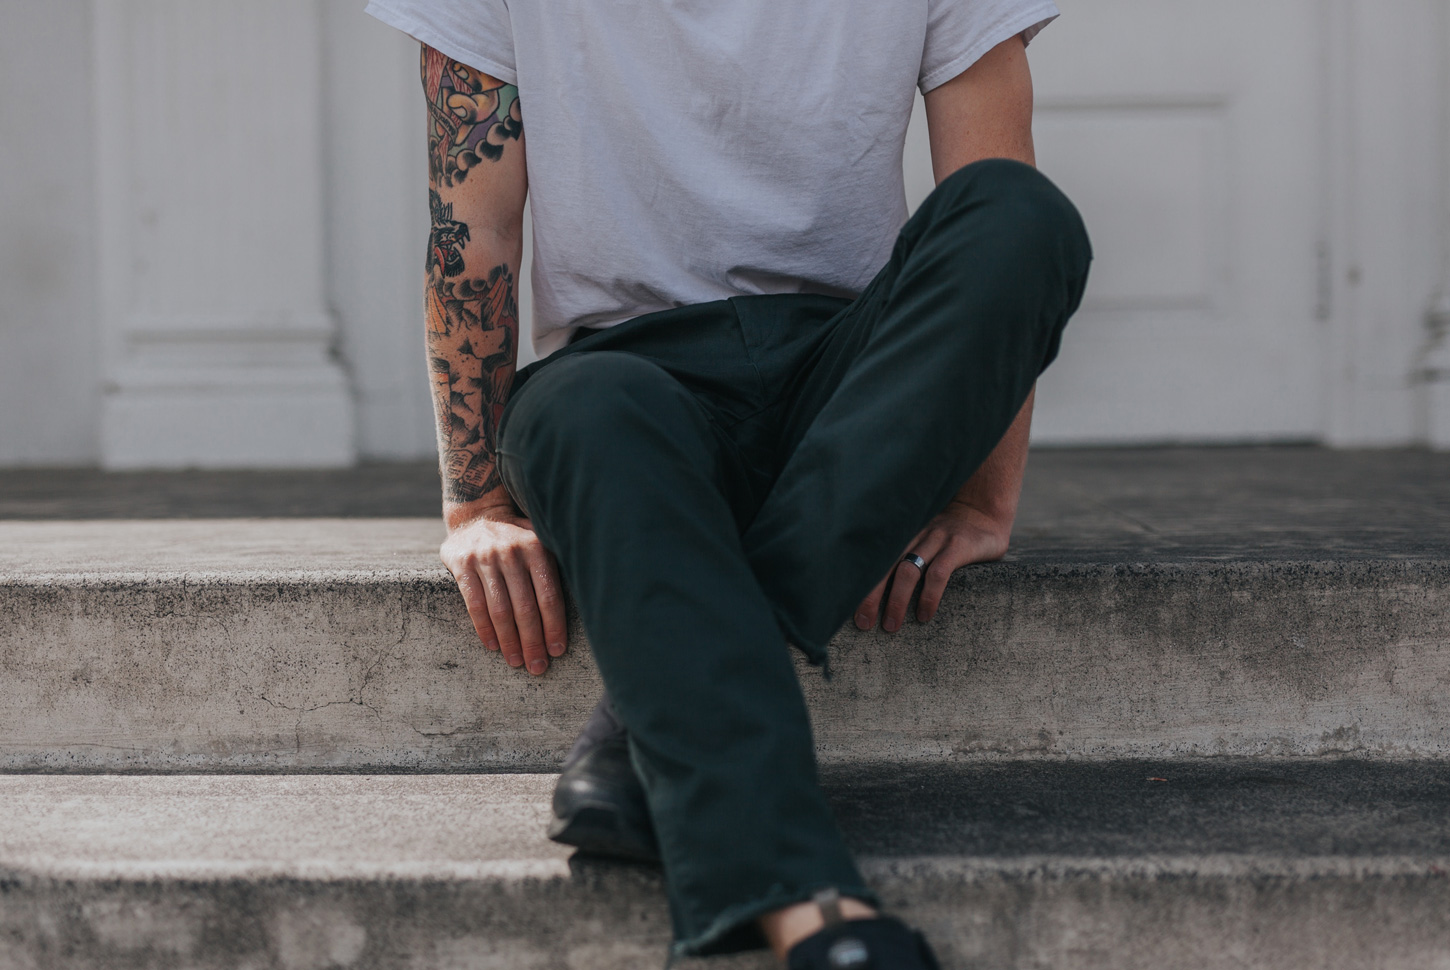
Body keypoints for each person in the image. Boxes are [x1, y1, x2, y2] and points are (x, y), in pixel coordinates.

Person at [367, 1, 1090, 965]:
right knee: (589, 410)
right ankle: (806, 905)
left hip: (846, 393)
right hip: (621, 392)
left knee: (1021, 216)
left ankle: (639, 731)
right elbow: (475, 232)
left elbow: (995, 195)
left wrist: (979, 497)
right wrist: (476, 505)